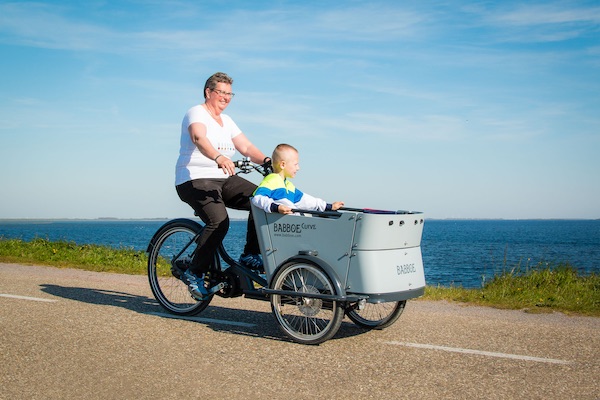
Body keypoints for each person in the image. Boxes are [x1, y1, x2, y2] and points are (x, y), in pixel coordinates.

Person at [175, 72, 270, 298]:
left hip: (224, 178)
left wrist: (268, 161)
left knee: (261, 199)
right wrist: (219, 157)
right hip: (194, 178)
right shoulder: (196, 113)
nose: (226, 97)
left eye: (230, 94)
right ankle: (193, 272)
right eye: (222, 92)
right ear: (209, 92)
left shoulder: (227, 121)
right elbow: (199, 138)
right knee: (219, 221)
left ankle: (250, 254)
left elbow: (246, 147)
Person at [252, 143, 344, 214]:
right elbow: (257, 198)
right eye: (295, 164)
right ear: (283, 164)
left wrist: (329, 206)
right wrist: (276, 207)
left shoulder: (288, 186)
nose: (298, 168)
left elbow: (307, 201)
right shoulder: (271, 180)